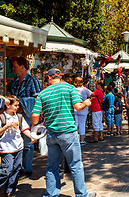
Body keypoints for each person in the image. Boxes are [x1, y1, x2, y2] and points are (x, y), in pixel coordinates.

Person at [31, 68, 96, 197]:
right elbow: (77, 107)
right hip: (68, 133)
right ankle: (82, 195)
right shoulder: (70, 88)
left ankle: (51, 194)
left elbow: (34, 116)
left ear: (49, 78)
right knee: (76, 165)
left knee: (52, 166)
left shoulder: (43, 94)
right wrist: (86, 103)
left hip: (51, 134)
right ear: (60, 77)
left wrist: (36, 124)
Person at [0, 96, 35, 196]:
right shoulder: (1, 118)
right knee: (6, 170)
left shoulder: (19, 117)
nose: (17, 107)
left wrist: (31, 137)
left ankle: (10, 190)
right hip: (6, 148)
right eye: (15, 105)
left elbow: (24, 129)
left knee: (16, 169)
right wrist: (7, 126)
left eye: (18, 105)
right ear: (8, 105)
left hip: (18, 147)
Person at [10, 56, 41, 178]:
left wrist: (35, 118)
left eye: (15, 66)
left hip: (27, 115)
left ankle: (27, 169)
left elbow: (38, 99)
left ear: (22, 67)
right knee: (16, 141)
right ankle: (17, 167)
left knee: (28, 143)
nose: (13, 69)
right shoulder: (15, 82)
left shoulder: (33, 80)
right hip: (15, 114)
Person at [73, 77, 91, 146]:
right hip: (83, 108)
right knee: (82, 124)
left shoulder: (73, 90)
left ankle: (75, 140)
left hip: (75, 108)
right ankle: (82, 140)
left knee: (75, 124)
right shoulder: (85, 90)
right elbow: (92, 94)